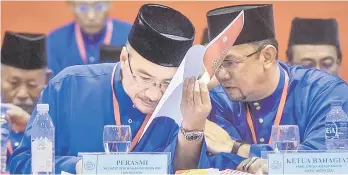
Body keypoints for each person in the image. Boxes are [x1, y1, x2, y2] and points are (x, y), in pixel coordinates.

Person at [9, 4, 212, 174]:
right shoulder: (68, 87)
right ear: (124, 59)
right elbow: (22, 163)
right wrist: (79, 167)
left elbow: (188, 171)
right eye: (144, 78)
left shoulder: (182, 100)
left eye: (166, 83)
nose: (154, 94)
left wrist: (192, 129)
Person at [202, 4, 348, 174]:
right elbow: (214, 160)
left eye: (230, 63)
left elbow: (321, 161)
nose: (221, 75)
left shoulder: (323, 91)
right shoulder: (219, 98)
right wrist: (251, 163)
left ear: (267, 56)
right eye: (217, 64)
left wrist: (237, 148)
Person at [286, 17, 348, 119]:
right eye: (307, 65)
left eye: (327, 64)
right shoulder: (280, 103)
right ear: (290, 66)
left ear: (338, 63)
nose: (319, 73)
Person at [1, 31, 51, 166]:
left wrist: (32, 127)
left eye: (32, 85)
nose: (22, 94)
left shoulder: (56, 117)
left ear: (47, 79)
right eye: (13, 83)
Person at [47, 1, 132, 77]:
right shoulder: (54, 41)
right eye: (82, 8)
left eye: (99, 6)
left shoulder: (131, 36)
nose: (91, 16)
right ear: (70, 6)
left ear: (109, 3)